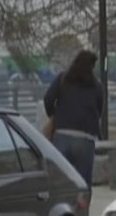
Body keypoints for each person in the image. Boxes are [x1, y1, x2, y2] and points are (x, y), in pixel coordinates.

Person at [44, 50, 103, 191]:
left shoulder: (63, 79)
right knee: (83, 183)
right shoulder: (96, 86)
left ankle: (62, 210)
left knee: (60, 181)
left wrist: (55, 116)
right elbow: (99, 110)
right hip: (85, 138)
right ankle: (82, 210)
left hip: (62, 134)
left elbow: (48, 99)